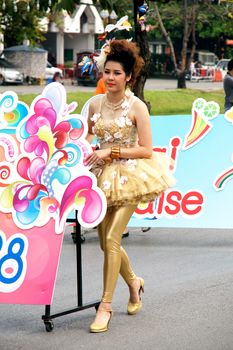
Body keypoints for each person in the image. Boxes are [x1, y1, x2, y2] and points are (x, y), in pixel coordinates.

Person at [85, 39, 175, 333]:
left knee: (112, 237)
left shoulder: (136, 106)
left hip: (131, 176)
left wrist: (109, 152)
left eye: (117, 73)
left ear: (128, 77)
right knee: (103, 242)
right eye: (107, 72)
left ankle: (105, 307)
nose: (110, 78)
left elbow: (147, 149)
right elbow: (85, 138)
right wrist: (82, 152)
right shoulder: (95, 104)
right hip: (100, 178)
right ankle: (134, 282)